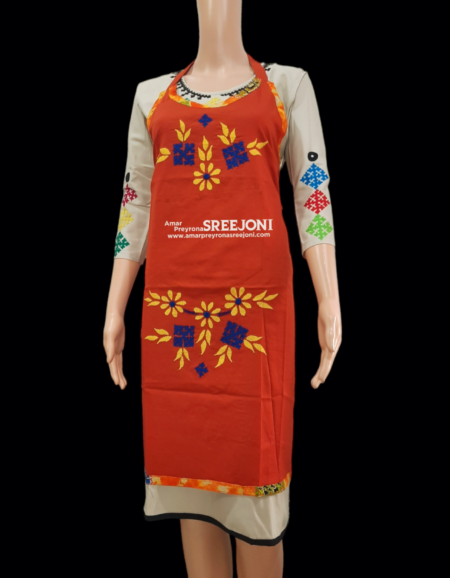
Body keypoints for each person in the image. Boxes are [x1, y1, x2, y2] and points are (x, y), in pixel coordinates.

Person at [103, 1, 342, 576]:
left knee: (257, 493)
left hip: (253, 313)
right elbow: (135, 203)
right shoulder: (150, 95)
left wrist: (329, 297)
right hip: (174, 312)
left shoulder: (287, 85)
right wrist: (114, 307)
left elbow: (312, 190)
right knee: (194, 485)